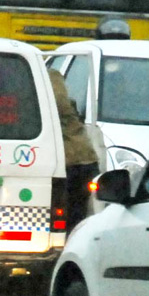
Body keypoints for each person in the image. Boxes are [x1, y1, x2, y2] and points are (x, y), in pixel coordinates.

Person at [49, 68, 99, 232]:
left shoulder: (49, 105)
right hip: (87, 160)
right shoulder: (70, 105)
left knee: (63, 212)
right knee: (79, 213)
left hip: (68, 163)